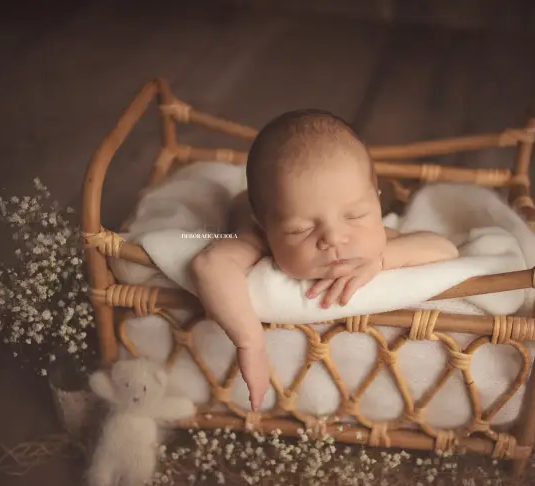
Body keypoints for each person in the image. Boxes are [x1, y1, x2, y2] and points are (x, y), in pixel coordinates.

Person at [189, 109, 459, 411]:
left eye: (355, 215)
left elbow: (444, 249)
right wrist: (249, 342)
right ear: (265, 227)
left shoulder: (375, 238)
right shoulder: (257, 238)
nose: (334, 237)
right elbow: (210, 265)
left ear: (377, 199)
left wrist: (381, 260)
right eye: (301, 229)